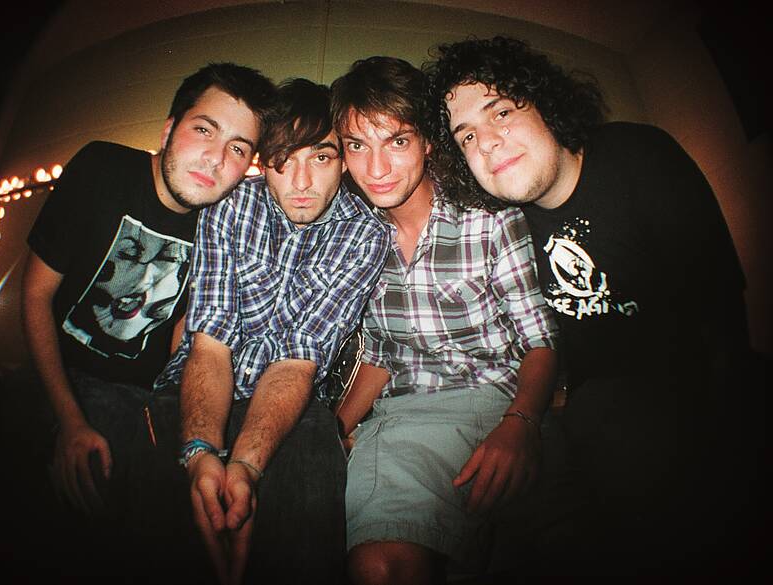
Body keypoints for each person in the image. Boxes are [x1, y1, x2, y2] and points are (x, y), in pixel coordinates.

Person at [425, 36, 753, 574]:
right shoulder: (501, 226)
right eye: (467, 136)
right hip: (589, 407)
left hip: (694, 387)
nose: (487, 143)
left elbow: (721, 315)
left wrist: (732, 436)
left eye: (501, 112)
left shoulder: (638, 156)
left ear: (545, 104)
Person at [17, 62, 277, 578]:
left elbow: (188, 338)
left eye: (238, 148)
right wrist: (69, 420)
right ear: (168, 129)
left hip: (143, 400)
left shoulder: (222, 225)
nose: (216, 158)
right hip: (58, 378)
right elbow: (35, 295)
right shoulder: (102, 168)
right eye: (204, 130)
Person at [330, 56, 559, 585]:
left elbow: (541, 342)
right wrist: (332, 430)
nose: (376, 169)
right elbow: (382, 355)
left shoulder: (491, 219)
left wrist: (520, 425)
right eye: (357, 146)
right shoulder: (358, 240)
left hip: (503, 403)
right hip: (406, 420)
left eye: (397, 141)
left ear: (429, 141)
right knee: (380, 567)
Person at [153, 77, 391, 585]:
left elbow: (297, 360)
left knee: (310, 482)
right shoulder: (229, 205)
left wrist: (245, 466)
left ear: (343, 162)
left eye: (321, 157)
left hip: (292, 401)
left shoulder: (365, 234)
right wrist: (201, 453)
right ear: (263, 161)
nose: (302, 181)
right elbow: (210, 342)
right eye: (284, 160)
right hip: (199, 384)